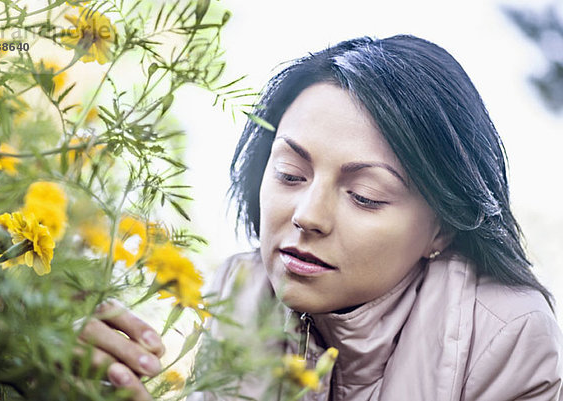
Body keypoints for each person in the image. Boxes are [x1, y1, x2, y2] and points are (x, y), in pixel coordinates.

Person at [80, 35, 563, 400]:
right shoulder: (235, 293)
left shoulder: (507, 334)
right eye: (290, 174)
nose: (309, 216)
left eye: (365, 195)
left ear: (441, 226)